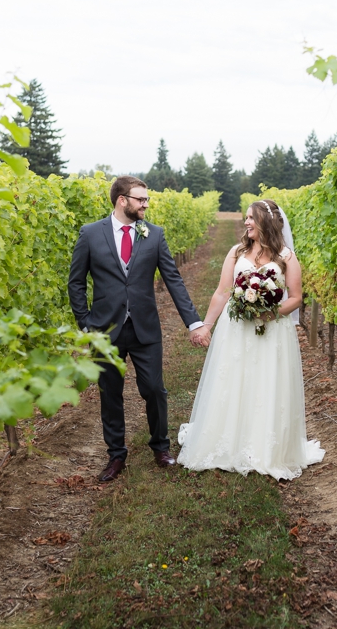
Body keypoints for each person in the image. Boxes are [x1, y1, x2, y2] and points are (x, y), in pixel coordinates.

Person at [67, 176, 207, 483]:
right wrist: (86, 324)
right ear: (122, 200)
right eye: (140, 199)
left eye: (146, 199)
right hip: (105, 330)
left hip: (145, 327)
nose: (146, 204)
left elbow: (173, 279)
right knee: (110, 394)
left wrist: (193, 321)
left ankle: (160, 447)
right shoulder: (90, 234)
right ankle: (116, 455)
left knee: (155, 389)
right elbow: (76, 282)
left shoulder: (154, 235)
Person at [175, 199, 326, 479]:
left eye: (251, 218)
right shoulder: (236, 252)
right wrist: (206, 325)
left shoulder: (287, 257)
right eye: (245, 217)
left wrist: (271, 313)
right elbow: (222, 292)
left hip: (272, 329)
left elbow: (295, 298)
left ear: (266, 222)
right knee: (233, 378)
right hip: (236, 328)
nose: (246, 223)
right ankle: (226, 440)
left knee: (266, 381)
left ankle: (262, 446)